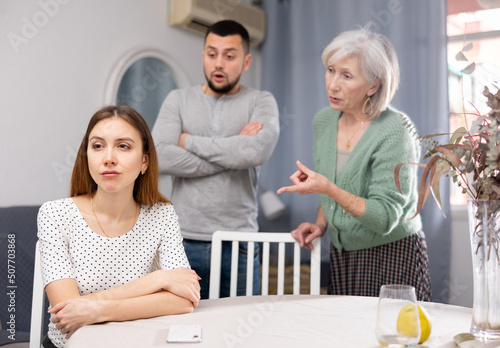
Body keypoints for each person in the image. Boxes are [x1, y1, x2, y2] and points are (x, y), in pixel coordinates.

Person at [277, 28, 432, 301]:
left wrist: (328, 189)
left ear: (374, 85)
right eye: (330, 70)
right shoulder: (324, 121)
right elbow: (329, 182)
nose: (332, 84)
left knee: (391, 339)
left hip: (392, 253)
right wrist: (321, 225)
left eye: (346, 76)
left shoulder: (396, 131)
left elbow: (384, 217)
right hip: (342, 253)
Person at [37, 105, 201, 348]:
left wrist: (95, 309)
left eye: (123, 146)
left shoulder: (162, 215)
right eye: (98, 146)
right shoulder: (55, 214)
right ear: (87, 156)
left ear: (144, 161)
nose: (109, 158)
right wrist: (156, 281)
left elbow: (185, 300)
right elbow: (66, 313)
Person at [152, 20, 279, 299]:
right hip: (183, 240)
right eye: (212, 54)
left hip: (240, 243)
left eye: (229, 56)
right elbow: (159, 156)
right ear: (203, 57)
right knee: (183, 329)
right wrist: (232, 150)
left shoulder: (261, 101)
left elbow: (254, 152)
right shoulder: (178, 99)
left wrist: (188, 141)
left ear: (246, 62)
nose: (218, 63)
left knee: (241, 332)